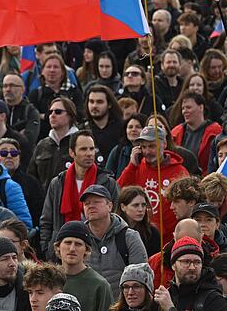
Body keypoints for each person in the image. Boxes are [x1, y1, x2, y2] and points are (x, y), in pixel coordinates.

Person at [40, 130, 119, 260]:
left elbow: (115, 217)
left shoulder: (107, 182)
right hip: (62, 252)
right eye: (83, 149)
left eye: (92, 149)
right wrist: (48, 249)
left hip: (97, 251)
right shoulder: (58, 183)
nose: (89, 153)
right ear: (72, 153)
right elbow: (47, 220)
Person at [118, 124, 190, 241]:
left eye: (152, 146)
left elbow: (187, 206)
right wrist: (131, 167)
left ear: (164, 144)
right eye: (143, 147)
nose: (147, 151)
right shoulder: (136, 167)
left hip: (170, 239)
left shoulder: (179, 171)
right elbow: (119, 192)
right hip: (141, 238)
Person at [81, 185, 147, 294]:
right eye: (86, 203)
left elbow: (141, 278)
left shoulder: (129, 237)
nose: (91, 206)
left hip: (121, 302)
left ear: (110, 206)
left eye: (96, 202)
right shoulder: (79, 239)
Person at [153, 237, 227, 311]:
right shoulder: (165, 297)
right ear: (173, 265)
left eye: (197, 262)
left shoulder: (213, 299)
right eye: (186, 262)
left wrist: (170, 308)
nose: (192, 267)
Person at [53, 221, 113, 311]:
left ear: (86, 249)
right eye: (68, 243)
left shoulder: (99, 285)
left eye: (78, 244)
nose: (72, 249)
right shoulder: (48, 280)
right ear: (58, 246)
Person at [29, 97, 79, 192]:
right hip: (45, 199)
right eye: (50, 112)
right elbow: (32, 178)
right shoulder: (42, 145)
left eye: (58, 112)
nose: (52, 115)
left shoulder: (80, 143)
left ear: (70, 115)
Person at [118, 186, 162, 256]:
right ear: (123, 207)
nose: (141, 209)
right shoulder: (114, 230)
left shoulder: (152, 233)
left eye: (143, 205)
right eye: (135, 205)